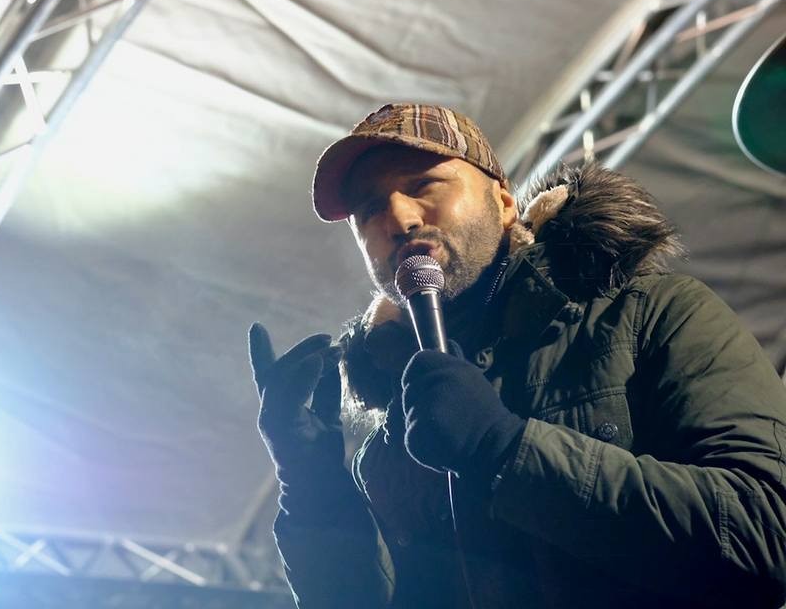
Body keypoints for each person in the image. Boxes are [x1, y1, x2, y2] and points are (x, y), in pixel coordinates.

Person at [247, 103, 786, 608]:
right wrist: (314, 490)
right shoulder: (390, 442)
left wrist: (503, 447)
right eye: (370, 210)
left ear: (505, 204)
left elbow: (766, 533)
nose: (399, 219)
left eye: (423, 185)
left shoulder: (654, 313)